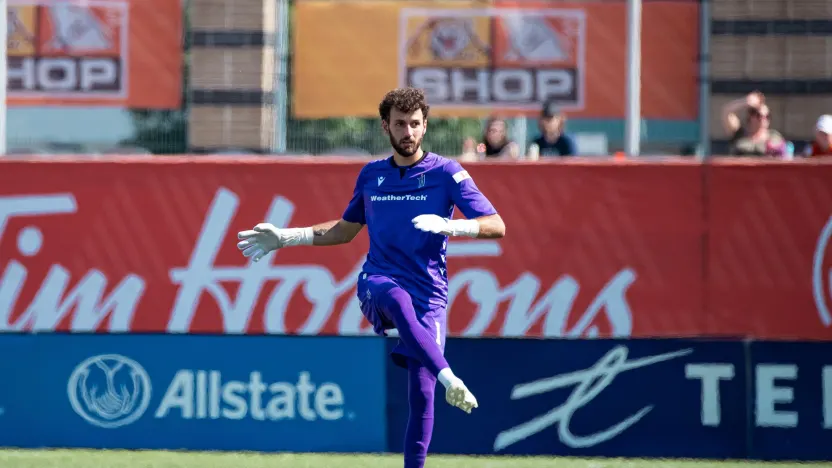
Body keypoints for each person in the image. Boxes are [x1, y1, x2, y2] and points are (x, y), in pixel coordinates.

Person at [236, 87, 506, 468]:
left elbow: (496, 225)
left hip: (430, 295)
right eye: (400, 124)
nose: (408, 132)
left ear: (425, 126)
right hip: (377, 283)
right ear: (385, 126)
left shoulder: (447, 173)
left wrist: (452, 226)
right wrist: (285, 237)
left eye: (415, 124)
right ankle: (450, 377)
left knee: (423, 394)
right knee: (395, 298)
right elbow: (344, 230)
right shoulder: (372, 175)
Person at [721, 91, 787, 157]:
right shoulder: (739, 133)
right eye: (759, 116)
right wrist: (746, 102)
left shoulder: (774, 136)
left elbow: (783, 156)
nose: (763, 120)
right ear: (751, 117)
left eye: (767, 116)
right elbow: (727, 111)